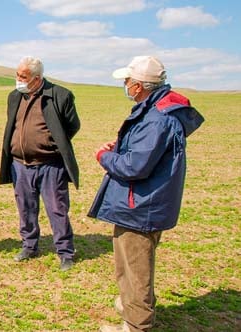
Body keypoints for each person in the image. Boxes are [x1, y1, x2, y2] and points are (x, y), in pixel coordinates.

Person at [89, 56, 204, 332]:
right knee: (132, 266)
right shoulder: (159, 112)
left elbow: (135, 166)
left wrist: (105, 156)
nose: (125, 85)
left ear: (139, 86)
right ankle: (134, 306)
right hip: (144, 202)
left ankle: (136, 324)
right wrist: (121, 146)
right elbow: (147, 153)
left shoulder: (156, 119)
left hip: (139, 207)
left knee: (135, 269)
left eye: (127, 81)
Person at [0, 56, 80, 271]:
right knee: (25, 208)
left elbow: (72, 126)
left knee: (57, 209)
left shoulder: (59, 95)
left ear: (37, 78)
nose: (18, 79)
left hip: (50, 165)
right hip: (19, 165)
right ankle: (29, 246)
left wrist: (51, 143)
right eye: (17, 74)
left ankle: (65, 252)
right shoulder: (14, 96)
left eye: (22, 76)